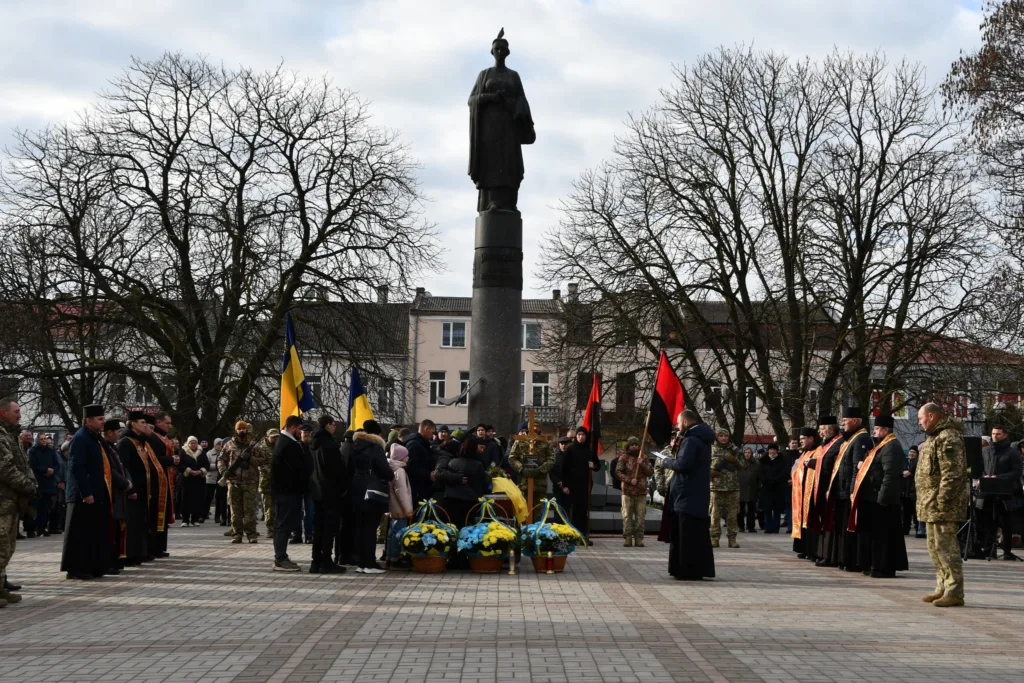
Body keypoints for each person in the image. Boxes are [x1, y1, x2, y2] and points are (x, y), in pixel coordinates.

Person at [916, 403, 968, 607]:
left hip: (943, 505)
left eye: (921, 418)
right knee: (935, 548)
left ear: (931, 416)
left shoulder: (948, 437)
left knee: (946, 549)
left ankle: (955, 591)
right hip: (931, 504)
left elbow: (952, 473)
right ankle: (942, 587)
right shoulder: (934, 437)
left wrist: (943, 500)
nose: (919, 422)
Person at [61, 405, 113, 580]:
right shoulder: (81, 438)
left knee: (92, 531)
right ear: (88, 421)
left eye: (103, 418)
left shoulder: (95, 438)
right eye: (99, 419)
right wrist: (86, 492)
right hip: (81, 495)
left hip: (95, 492)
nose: (103, 422)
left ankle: (93, 566)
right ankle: (76, 568)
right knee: (79, 533)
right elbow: (77, 467)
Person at [851, 415, 908, 578]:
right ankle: (874, 565)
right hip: (873, 497)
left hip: (884, 500)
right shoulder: (882, 445)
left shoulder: (891, 446)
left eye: (876, 429)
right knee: (875, 536)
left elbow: (889, 474)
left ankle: (883, 567)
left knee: (884, 537)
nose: (874, 432)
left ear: (885, 430)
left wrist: (882, 498)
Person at [663, 410, 715, 580]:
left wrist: (666, 461)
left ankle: (686, 569)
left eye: (678, 423)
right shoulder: (701, 439)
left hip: (686, 495)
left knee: (686, 536)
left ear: (685, 422)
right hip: (696, 495)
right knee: (697, 534)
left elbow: (683, 464)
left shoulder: (691, 440)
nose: (677, 426)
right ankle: (696, 569)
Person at [0, 398, 36, 607]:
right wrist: (27, 485)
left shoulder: (11, 435)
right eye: (16, 411)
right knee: (1, 547)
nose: (20, 415)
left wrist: (31, 481)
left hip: (12, 502)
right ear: (3, 413)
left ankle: (2, 589)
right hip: (3, 501)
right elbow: (5, 468)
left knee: (8, 548)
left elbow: (24, 463)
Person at [349, 421, 393, 574]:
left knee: (360, 527)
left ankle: (361, 563)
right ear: (376, 434)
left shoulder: (354, 446)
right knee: (370, 527)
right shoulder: (375, 447)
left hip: (356, 488)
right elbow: (385, 470)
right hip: (372, 490)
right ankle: (369, 563)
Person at [308, 414, 348, 574]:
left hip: (316, 490)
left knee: (318, 527)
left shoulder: (312, 444)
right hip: (330, 491)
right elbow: (337, 470)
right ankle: (326, 561)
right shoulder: (329, 445)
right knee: (329, 527)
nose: (335, 427)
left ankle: (315, 560)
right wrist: (343, 487)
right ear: (327, 425)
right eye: (333, 424)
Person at [835, 407, 873, 572]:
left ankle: (853, 561)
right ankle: (846, 559)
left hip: (851, 491)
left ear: (856, 420)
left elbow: (858, 469)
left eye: (846, 419)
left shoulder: (861, 439)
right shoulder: (851, 439)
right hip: (843, 490)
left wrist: (852, 491)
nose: (843, 422)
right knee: (846, 528)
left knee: (852, 528)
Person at [269, 416, 308, 572]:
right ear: (293, 427)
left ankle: (281, 557)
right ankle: (280, 559)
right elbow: (296, 470)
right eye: (300, 429)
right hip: (287, 492)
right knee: (283, 525)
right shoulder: (288, 444)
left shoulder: (285, 442)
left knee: (282, 525)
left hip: (284, 492)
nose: (301, 432)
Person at [979, 425, 1022, 559]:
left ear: (1005, 435)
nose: (995, 436)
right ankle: (988, 550)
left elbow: (1017, 472)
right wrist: (983, 477)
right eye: (993, 433)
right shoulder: (986, 451)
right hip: (987, 492)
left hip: (1005, 493)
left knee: (1005, 522)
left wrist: (998, 478)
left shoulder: (1012, 452)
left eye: (998, 434)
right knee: (987, 521)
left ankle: (1007, 551)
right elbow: (979, 468)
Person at [116, 412, 154, 565]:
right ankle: (130, 555)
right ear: (132, 424)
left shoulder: (140, 442)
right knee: (132, 523)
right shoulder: (126, 442)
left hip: (143, 490)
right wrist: (130, 488)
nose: (145, 425)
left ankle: (140, 553)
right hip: (133, 491)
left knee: (140, 522)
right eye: (142, 422)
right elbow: (124, 467)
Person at [219, 421, 265, 544]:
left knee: (249, 510)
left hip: (250, 482)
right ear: (236, 430)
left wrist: (250, 459)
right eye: (239, 429)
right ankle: (237, 534)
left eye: (244, 429)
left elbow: (262, 460)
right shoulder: (229, 445)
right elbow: (221, 459)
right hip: (233, 482)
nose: (242, 431)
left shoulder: (254, 445)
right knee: (235, 511)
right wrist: (224, 471)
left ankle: (251, 534)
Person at [554, 426, 600, 544]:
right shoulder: (571, 450)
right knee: (573, 511)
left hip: (585, 485)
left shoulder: (589, 450)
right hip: (572, 485)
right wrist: (565, 485)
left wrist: (593, 466)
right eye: (579, 435)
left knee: (583, 511)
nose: (581, 437)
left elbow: (597, 465)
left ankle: (583, 535)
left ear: (586, 436)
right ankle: (573, 535)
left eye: (583, 435)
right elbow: (565, 468)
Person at [100, 420, 133, 573]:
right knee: (111, 529)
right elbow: (110, 471)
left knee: (119, 528)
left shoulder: (113, 448)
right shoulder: (104, 447)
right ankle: (109, 562)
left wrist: (128, 481)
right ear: (109, 433)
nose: (120, 434)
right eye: (118, 432)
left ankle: (117, 559)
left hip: (120, 492)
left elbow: (122, 467)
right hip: (112, 492)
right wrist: (124, 483)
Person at [812, 416, 844, 567]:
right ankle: (822, 554)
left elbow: (835, 467)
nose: (821, 433)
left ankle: (830, 556)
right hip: (823, 488)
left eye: (823, 429)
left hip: (831, 489)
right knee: (824, 521)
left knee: (830, 523)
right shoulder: (827, 443)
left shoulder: (839, 443)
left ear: (831, 429)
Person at [147, 413, 179, 558]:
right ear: (158, 422)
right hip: (157, 481)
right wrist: (171, 459)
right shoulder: (153, 437)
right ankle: (155, 548)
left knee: (164, 514)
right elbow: (153, 459)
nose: (169, 426)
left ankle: (161, 547)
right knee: (157, 514)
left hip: (166, 479)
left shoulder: (163, 437)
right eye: (167, 423)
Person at [709, 428, 746, 548]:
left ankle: (732, 539)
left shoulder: (735, 450)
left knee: (732, 515)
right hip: (716, 487)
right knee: (715, 515)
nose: (724, 438)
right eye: (721, 436)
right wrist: (710, 472)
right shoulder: (711, 449)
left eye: (726, 436)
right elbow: (703, 464)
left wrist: (735, 461)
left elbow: (744, 466)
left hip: (732, 487)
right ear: (717, 437)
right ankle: (714, 538)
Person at [616, 436, 652, 547]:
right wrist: (629, 480)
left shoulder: (644, 457)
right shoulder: (623, 457)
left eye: (636, 444)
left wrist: (642, 463)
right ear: (628, 446)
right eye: (632, 445)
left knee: (640, 516)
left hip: (641, 492)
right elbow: (618, 472)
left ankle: (638, 538)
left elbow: (650, 472)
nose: (634, 446)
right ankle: (627, 537)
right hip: (627, 492)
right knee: (627, 515)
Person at [508, 421, 556, 504]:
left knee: (538, 511)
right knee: (524, 511)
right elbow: (512, 458)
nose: (535, 428)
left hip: (540, 483)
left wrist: (540, 470)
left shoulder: (545, 441)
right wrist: (522, 469)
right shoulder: (520, 441)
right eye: (533, 426)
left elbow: (552, 459)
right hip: (524, 482)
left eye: (537, 426)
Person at [792, 427, 820, 560]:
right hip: (800, 493)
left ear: (811, 438)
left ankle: (811, 550)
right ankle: (803, 548)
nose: (800, 441)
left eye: (803, 439)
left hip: (809, 492)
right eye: (800, 439)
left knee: (809, 521)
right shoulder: (804, 453)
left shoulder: (818, 451)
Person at [26, 433, 61, 538]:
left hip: (48, 482)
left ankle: (42, 528)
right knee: (34, 506)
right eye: (41, 439)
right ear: (37, 440)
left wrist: (52, 471)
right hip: (37, 481)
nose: (44, 440)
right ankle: (30, 529)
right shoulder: (33, 451)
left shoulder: (51, 451)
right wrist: (45, 470)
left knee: (45, 507)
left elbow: (57, 464)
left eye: (45, 438)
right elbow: (32, 464)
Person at [386, 442, 413, 569]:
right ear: (401, 457)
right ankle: (395, 559)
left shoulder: (391, 468)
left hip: (393, 507)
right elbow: (402, 492)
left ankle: (389, 557)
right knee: (398, 534)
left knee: (392, 533)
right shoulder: (400, 471)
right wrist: (408, 510)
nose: (408, 458)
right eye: (406, 456)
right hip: (400, 509)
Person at [404, 420, 437, 510]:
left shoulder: (422, 444)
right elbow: (410, 467)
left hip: (421, 486)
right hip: (416, 488)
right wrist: (428, 474)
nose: (433, 435)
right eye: (432, 431)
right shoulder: (414, 444)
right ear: (426, 429)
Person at [292, 424, 315, 544]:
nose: (306, 435)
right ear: (300, 433)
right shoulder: (295, 447)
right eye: (304, 432)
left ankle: (309, 534)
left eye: (309, 432)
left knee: (310, 511)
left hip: (311, 484)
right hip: (297, 484)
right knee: (297, 511)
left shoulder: (314, 447)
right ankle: (297, 534)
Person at [758, 444, 789, 533]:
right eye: (770, 449)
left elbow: (784, 472)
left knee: (777, 509)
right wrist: (766, 480)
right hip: (766, 487)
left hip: (778, 487)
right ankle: (768, 527)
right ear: (768, 450)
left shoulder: (782, 460)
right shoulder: (763, 460)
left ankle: (775, 527)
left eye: (774, 449)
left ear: (777, 451)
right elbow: (760, 473)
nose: (772, 451)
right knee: (767, 509)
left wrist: (776, 480)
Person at [177, 436, 207, 527]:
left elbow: (206, 464)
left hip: (199, 479)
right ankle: (185, 520)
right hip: (187, 480)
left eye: (195, 443)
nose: (193, 445)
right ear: (188, 443)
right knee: (185, 499)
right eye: (191, 443)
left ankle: (195, 519)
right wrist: (189, 471)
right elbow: (179, 464)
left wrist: (201, 471)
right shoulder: (183, 452)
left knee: (197, 499)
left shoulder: (202, 452)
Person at [256, 429, 279, 537]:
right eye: (273, 437)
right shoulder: (261, 448)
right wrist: (271, 470)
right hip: (266, 482)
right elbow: (259, 464)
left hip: (278, 482)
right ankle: (270, 529)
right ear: (267, 436)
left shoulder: (279, 447)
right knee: (268, 507)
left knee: (278, 507)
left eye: (276, 437)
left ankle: (279, 528)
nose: (275, 439)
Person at [738, 446, 759, 533]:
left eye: (749, 452)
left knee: (751, 509)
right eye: (745, 452)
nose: (747, 454)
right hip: (741, 488)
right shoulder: (739, 463)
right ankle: (741, 526)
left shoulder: (756, 464)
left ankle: (751, 526)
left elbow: (758, 476)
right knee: (740, 509)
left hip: (752, 488)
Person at [902, 445, 919, 536]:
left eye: (914, 452)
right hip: (905, 491)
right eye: (911, 452)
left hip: (913, 491)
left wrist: (909, 472)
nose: (911, 454)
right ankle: (905, 529)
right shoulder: (904, 461)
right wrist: (903, 472)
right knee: (906, 512)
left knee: (915, 512)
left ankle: (918, 530)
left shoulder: (917, 462)